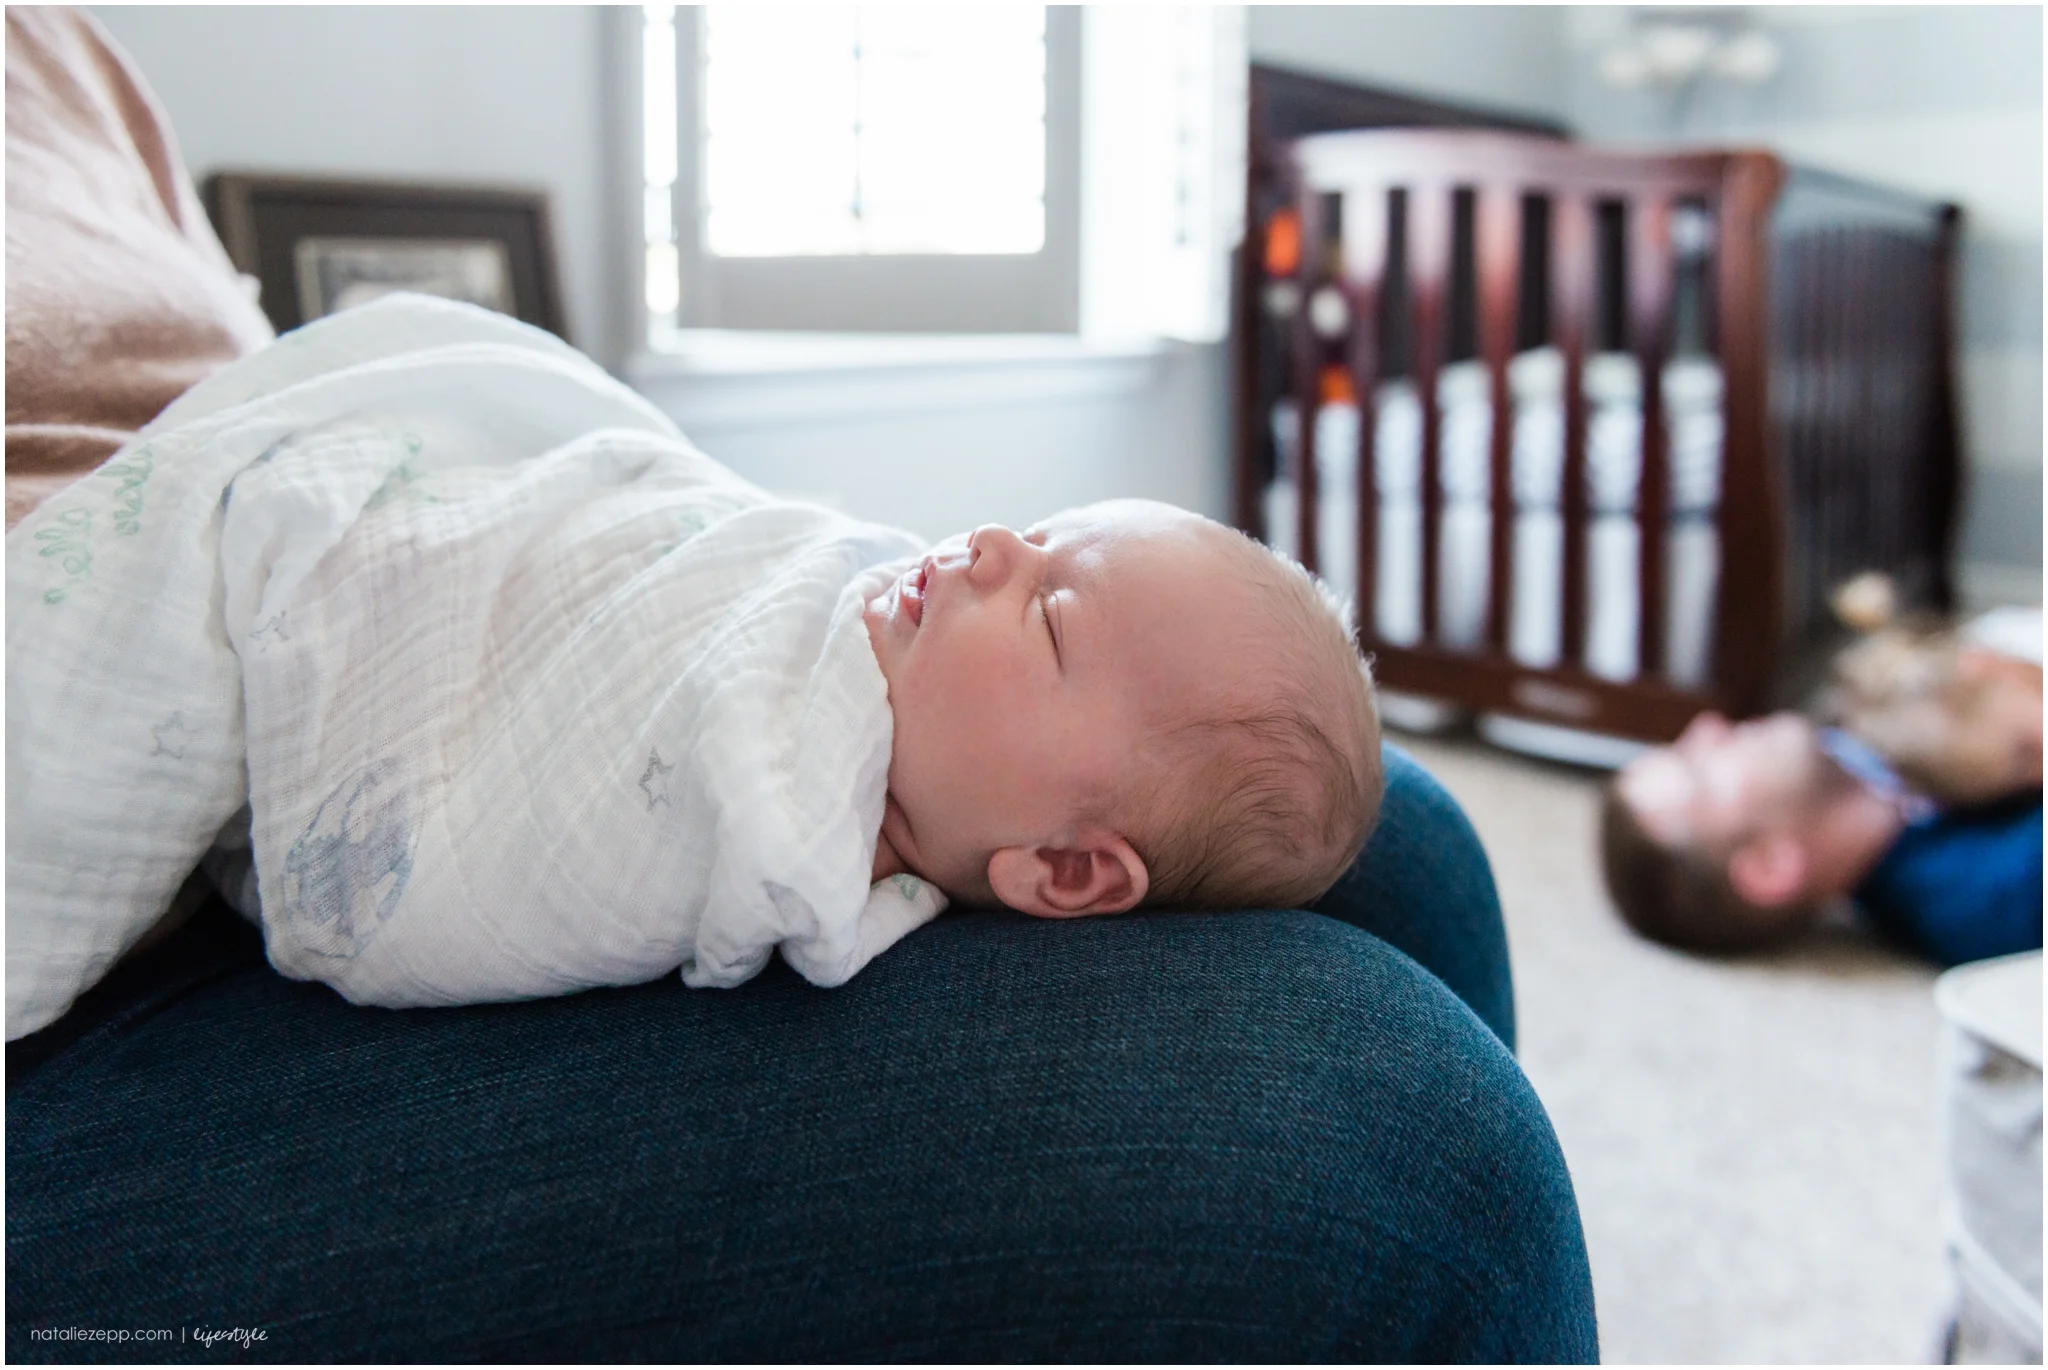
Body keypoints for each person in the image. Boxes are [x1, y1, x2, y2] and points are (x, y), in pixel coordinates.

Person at [6, 294, 1382, 1033]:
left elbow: (485, 842)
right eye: (1033, 530)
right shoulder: (861, 615)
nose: (985, 549)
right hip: (445, 536)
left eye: (1051, 614)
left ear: (1066, 870)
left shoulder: (782, 817)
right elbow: (665, 554)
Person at [1600, 709, 2043, 966]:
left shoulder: (1881, 735)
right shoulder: (1995, 893)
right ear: (1768, 865)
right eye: (1698, 768)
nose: (1707, 725)